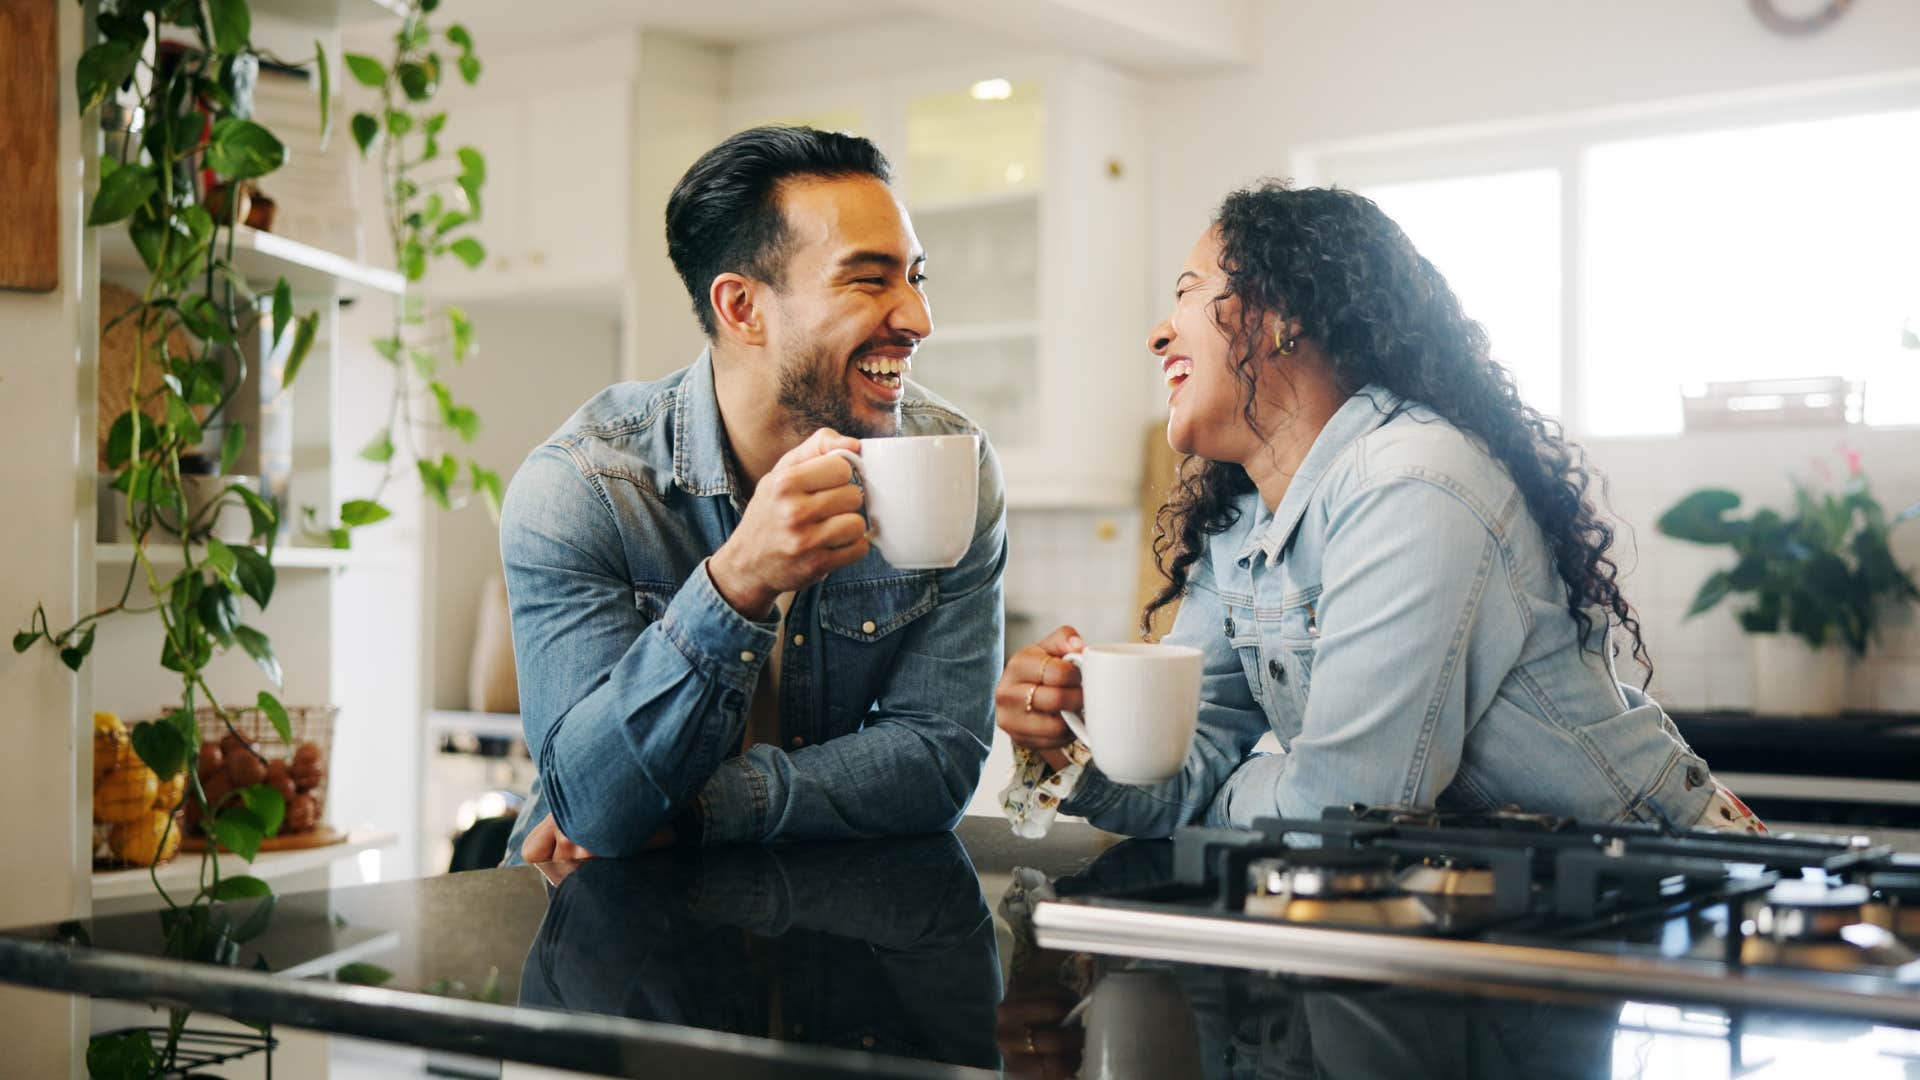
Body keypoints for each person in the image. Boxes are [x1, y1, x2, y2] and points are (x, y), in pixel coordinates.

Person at [995, 181, 1759, 838]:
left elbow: (1341, 815)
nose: (1160, 333)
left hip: (1666, 881)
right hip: (1490, 903)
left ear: (1283, 314)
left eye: (1192, 291)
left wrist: (1226, 798)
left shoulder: (1414, 482)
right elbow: (1184, 769)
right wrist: (1074, 749)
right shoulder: (1243, 524)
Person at [499, 126, 1006, 862]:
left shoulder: (952, 463)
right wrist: (739, 581)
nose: (918, 319)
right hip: (594, 908)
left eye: (915, 277)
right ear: (741, 308)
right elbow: (594, 806)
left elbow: (937, 759)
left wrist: (702, 811)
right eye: (870, 280)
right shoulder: (583, 488)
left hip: (826, 913)